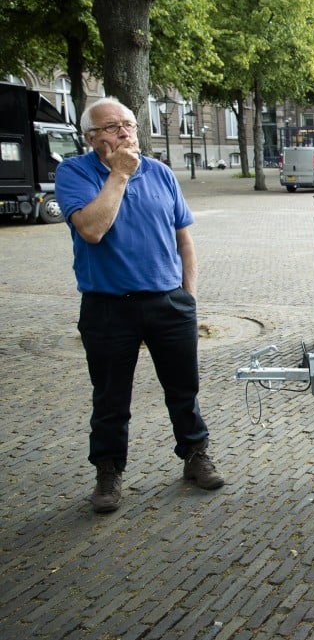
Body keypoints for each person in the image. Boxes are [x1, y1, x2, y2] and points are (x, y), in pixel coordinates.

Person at [55, 97, 224, 514]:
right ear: (90, 137)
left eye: (128, 124)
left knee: (184, 389)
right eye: (111, 127)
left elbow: (184, 239)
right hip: (108, 306)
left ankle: (194, 454)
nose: (124, 133)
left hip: (169, 303)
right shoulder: (74, 173)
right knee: (110, 397)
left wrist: (188, 296)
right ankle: (108, 471)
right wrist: (119, 176)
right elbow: (92, 230)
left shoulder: (162, 174)